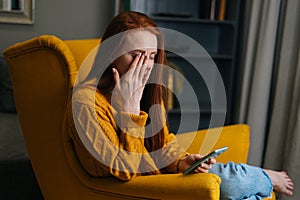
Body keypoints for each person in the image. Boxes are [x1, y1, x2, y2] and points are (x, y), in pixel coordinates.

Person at [66, 11, 294, 199]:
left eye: (152, 56)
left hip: (162, 176)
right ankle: (265, 177)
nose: (145, 66)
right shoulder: (86, 101)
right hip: (138, 188)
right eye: (135, 55)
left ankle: (258, 178)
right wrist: (129, 112)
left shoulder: (148, 93)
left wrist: (181, 162)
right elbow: (124, 170)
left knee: (247, 195)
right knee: (232, 184)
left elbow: (162, 144)